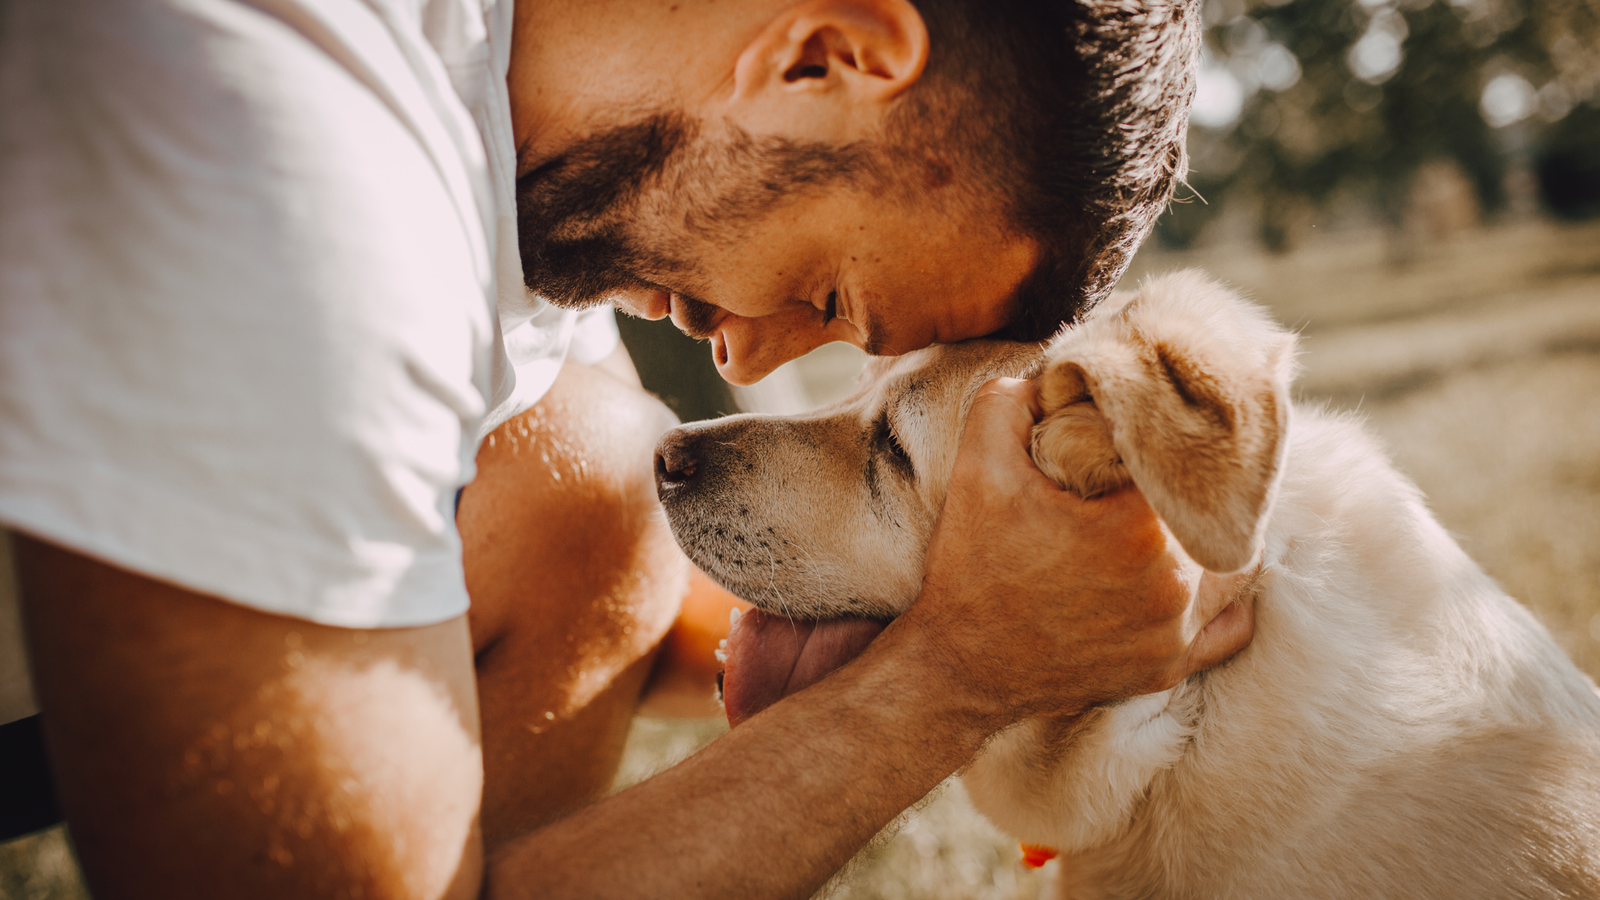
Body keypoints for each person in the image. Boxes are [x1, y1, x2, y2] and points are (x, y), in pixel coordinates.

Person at [0, 0, 1254, 897]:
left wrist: (1036, 612)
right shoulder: (283, 155)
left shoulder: (489, 114)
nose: (750, 361)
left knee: (589, 474)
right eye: (827, 294)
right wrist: (956, 677)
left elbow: (623, 589)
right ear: (826, 55)